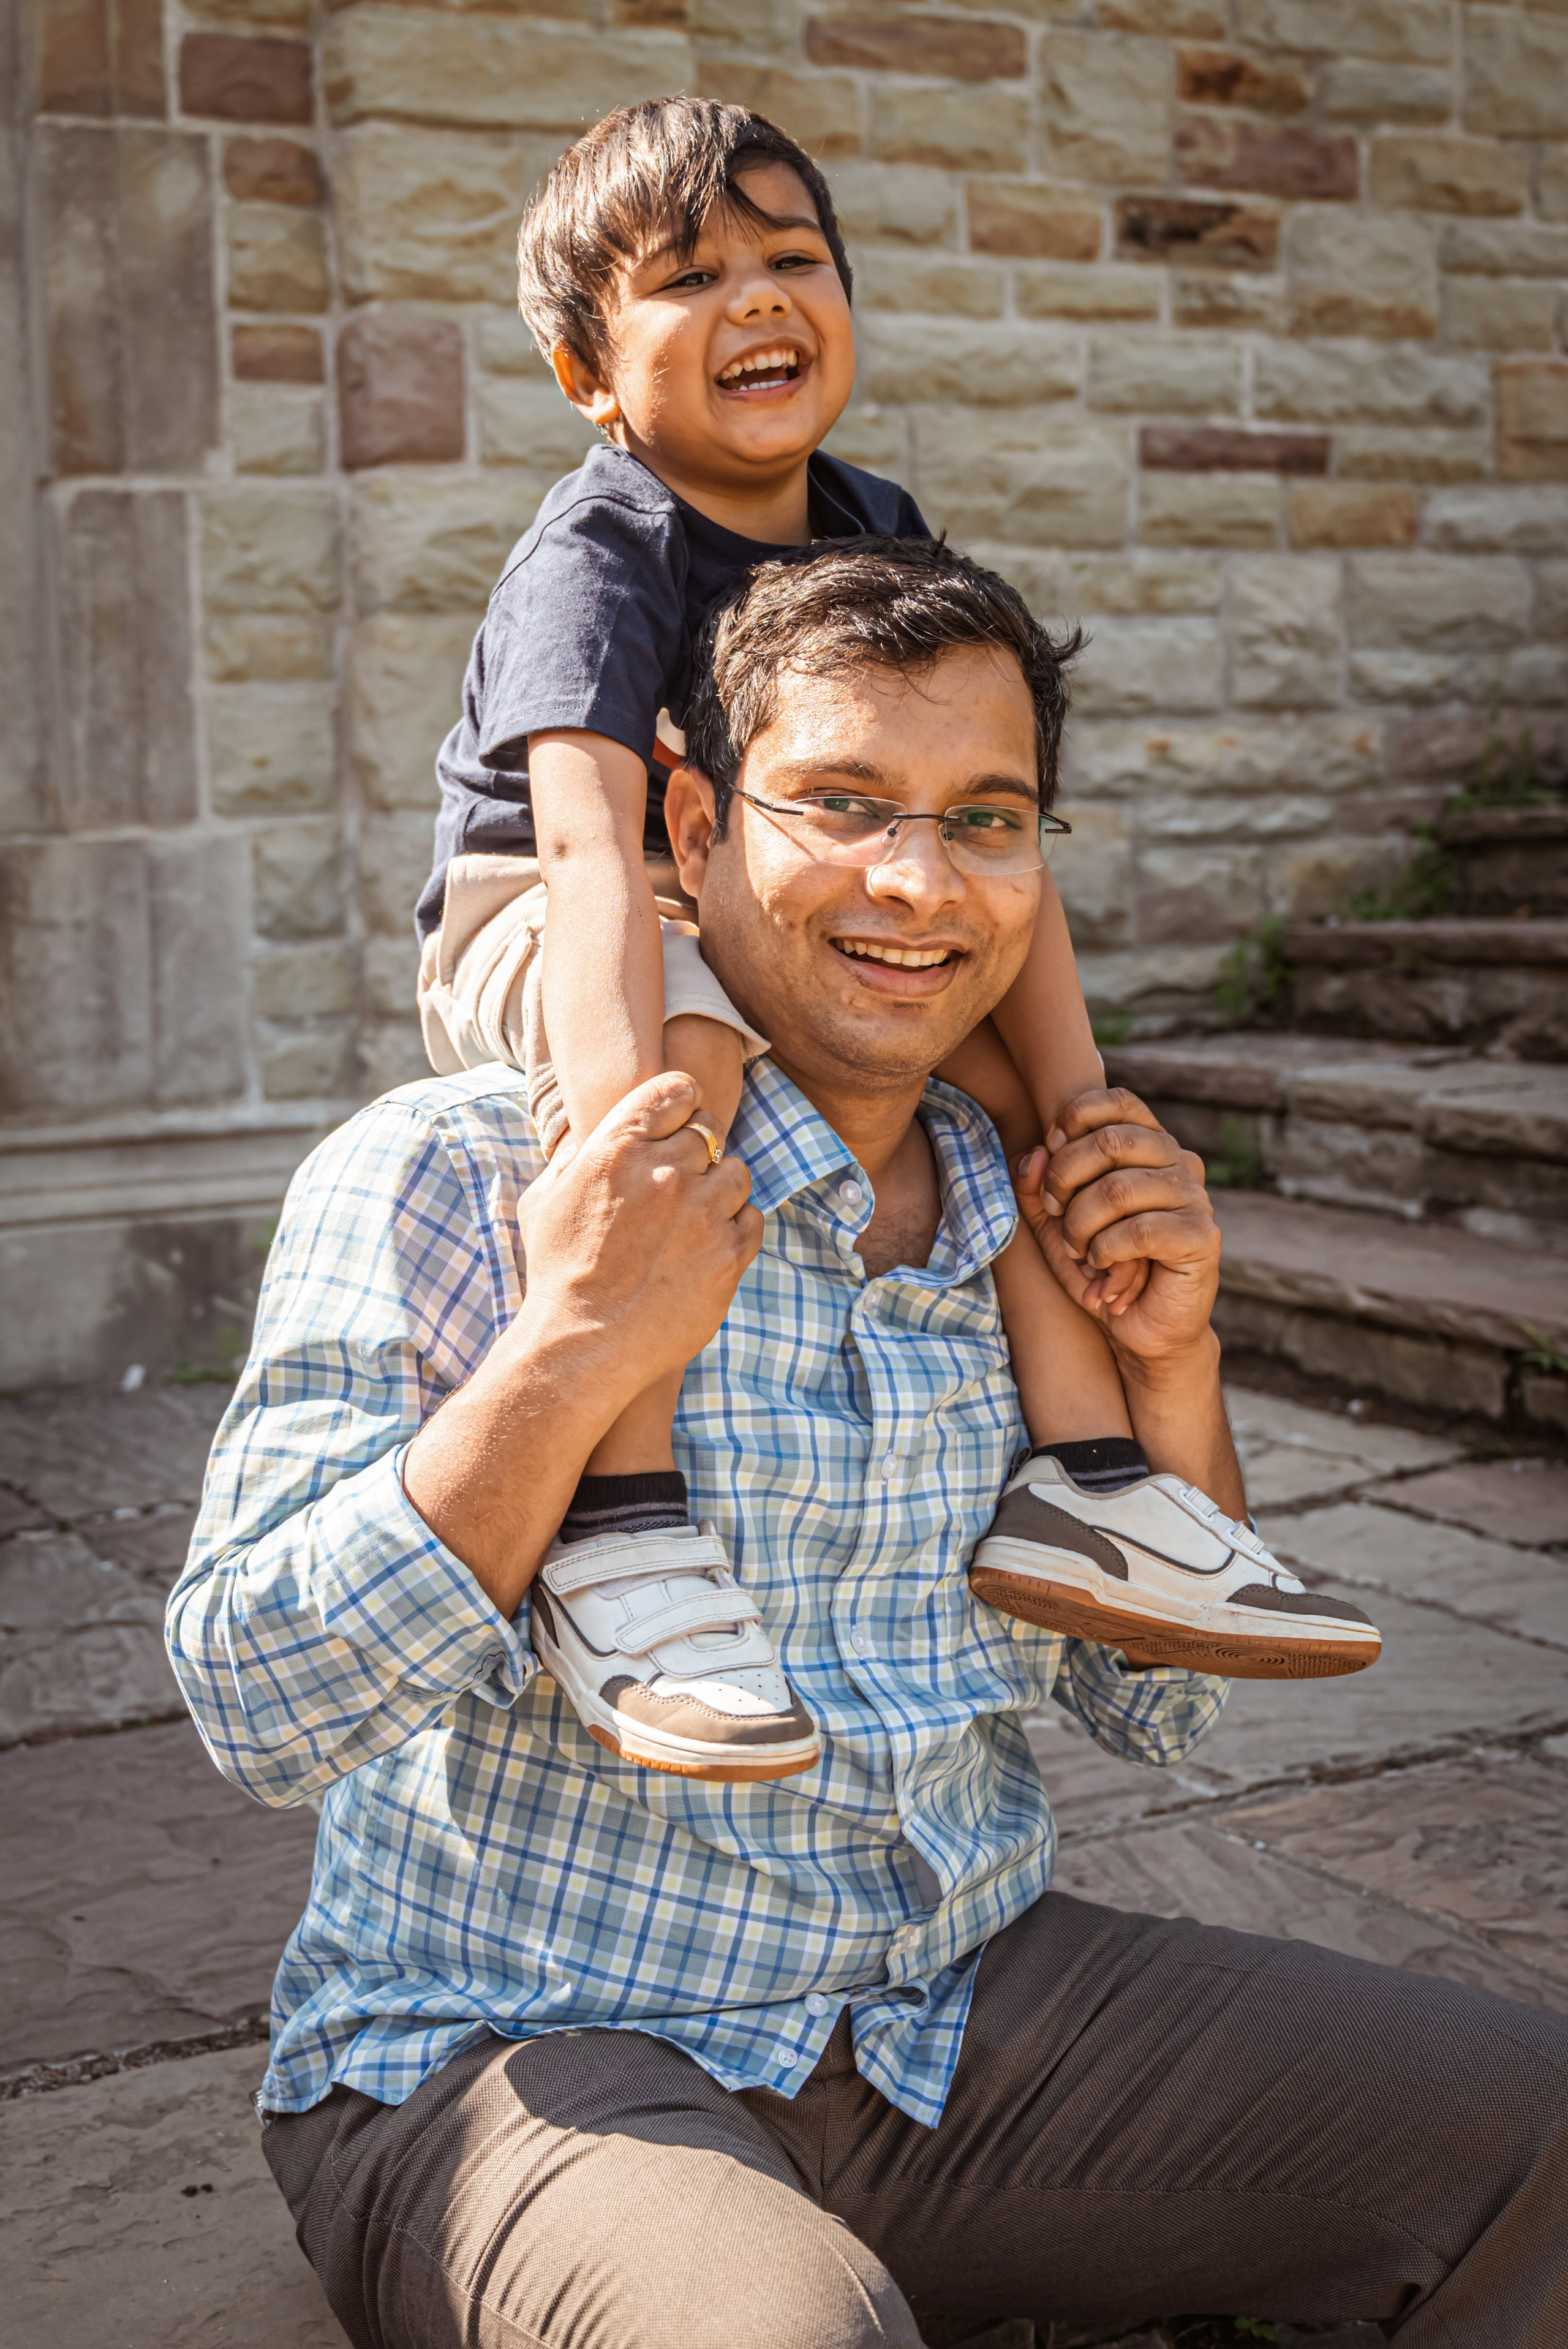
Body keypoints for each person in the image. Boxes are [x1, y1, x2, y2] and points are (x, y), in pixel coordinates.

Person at [168, 546, 1553, 2349]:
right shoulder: (453, 1169)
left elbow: (1160, 1705)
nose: (919, 881)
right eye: (841, 803)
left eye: (988, 819)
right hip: (515, 2048)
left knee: (1535, 2128)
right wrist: (577, 1342)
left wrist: (1175, 1367)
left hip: (956, 2017)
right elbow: (258, 1698)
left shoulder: (1027, 1218)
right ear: (688, 821)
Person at [412, 96, 1378, 1778]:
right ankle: (625, 1520)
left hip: (790, 898)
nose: (759, 298)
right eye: (690, 276)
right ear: (588, 371)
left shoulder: (875, 523)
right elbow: (582, 843)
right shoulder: (601, 543)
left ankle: (1088, 1490)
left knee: (988, 1081)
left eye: (795, 258)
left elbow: (992, 836)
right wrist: (629, 1106)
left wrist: (1074, 1106)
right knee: (693, 1048)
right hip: (561, 905)